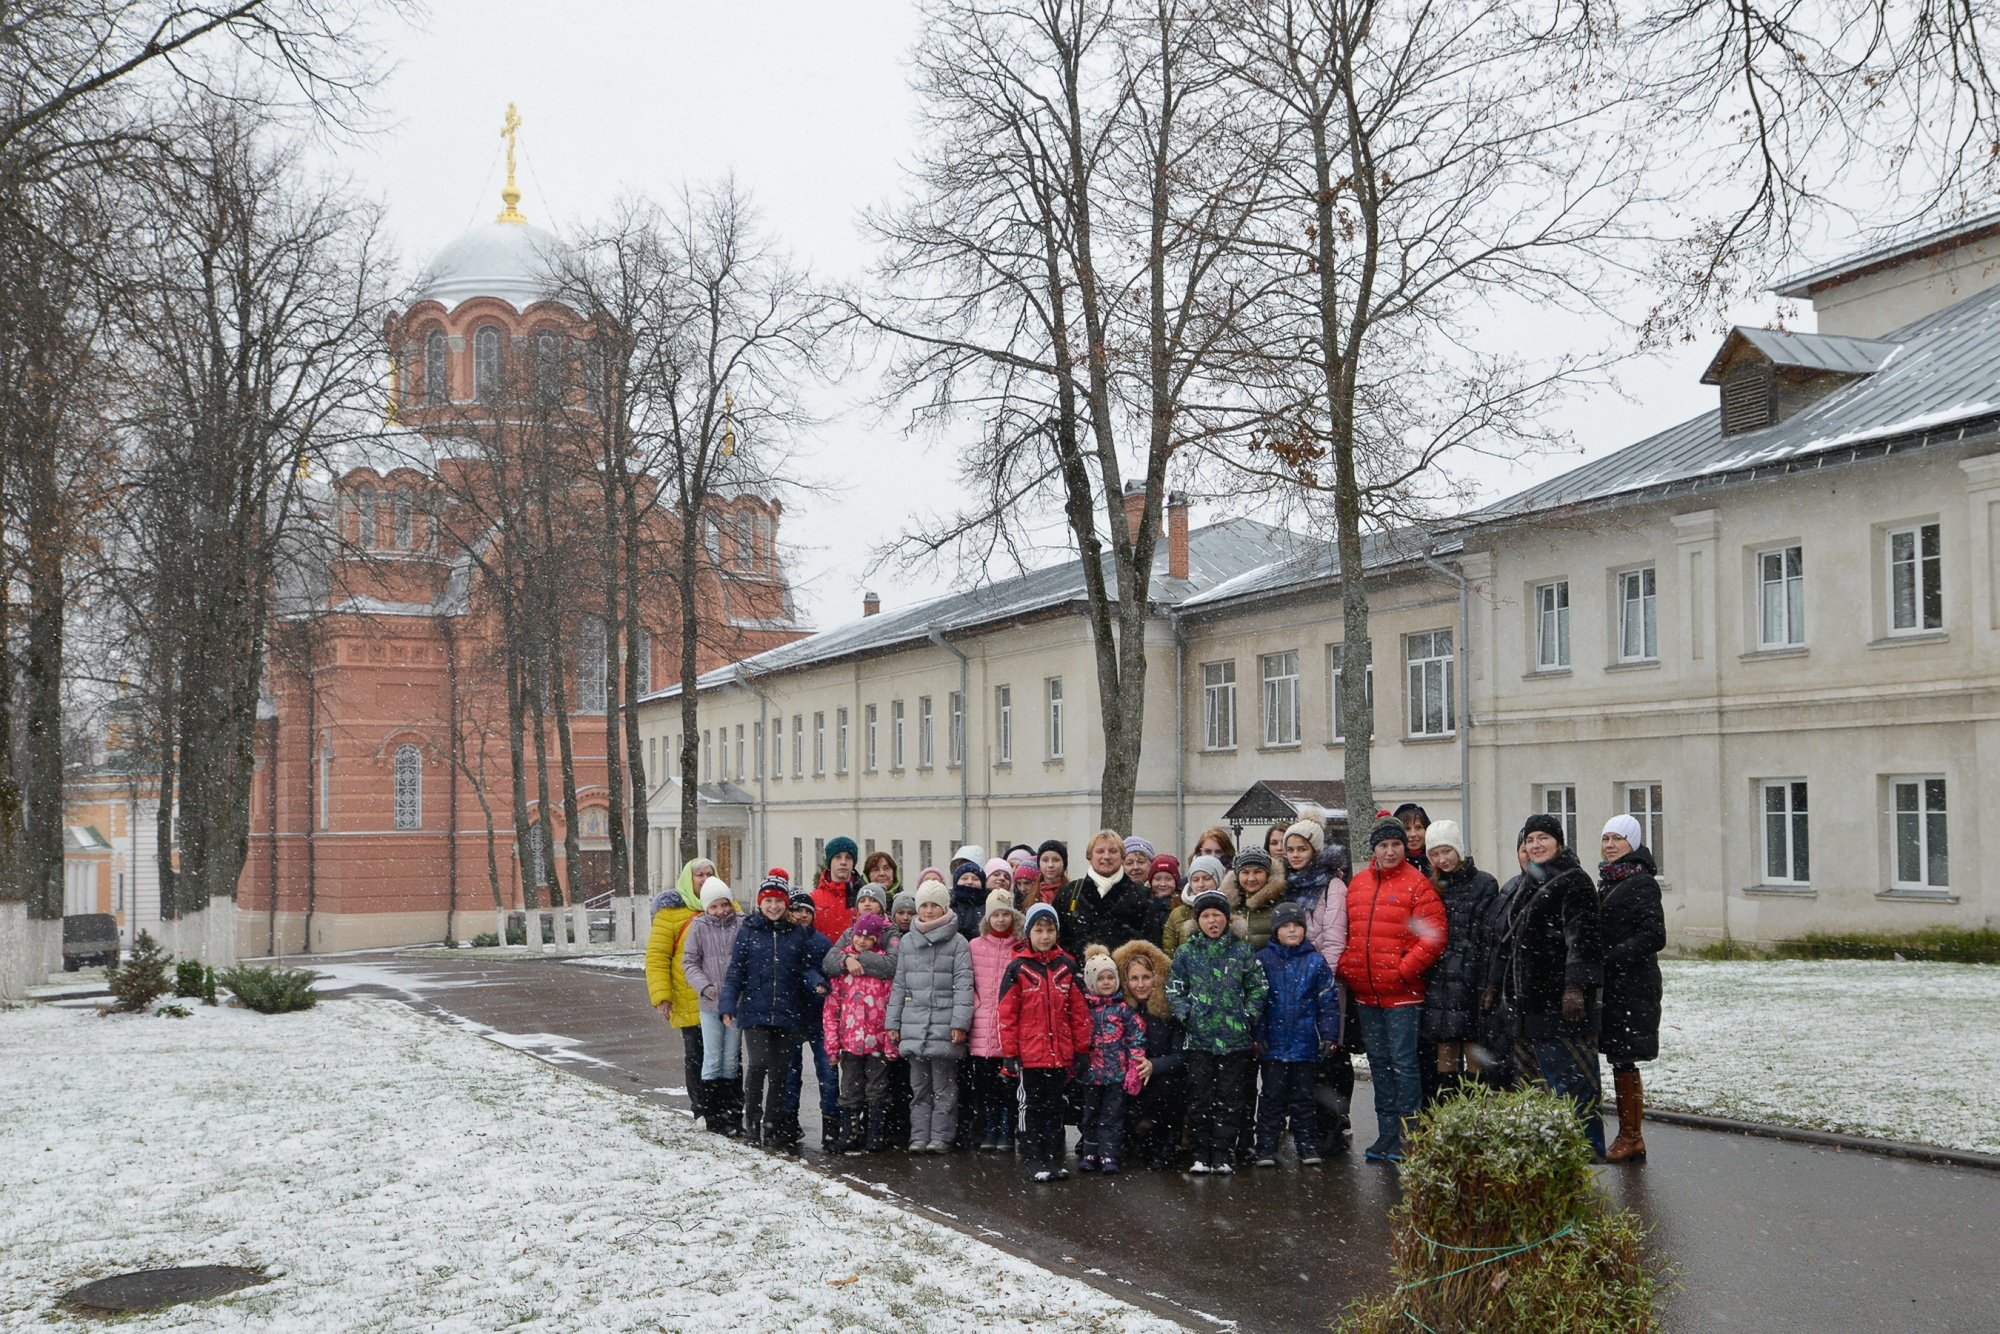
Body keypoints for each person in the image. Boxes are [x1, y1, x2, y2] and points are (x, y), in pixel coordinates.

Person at [1495, 813, 1606, 1157]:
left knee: (1574, 1088)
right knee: (1535, 1090)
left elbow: (1583, 938)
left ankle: (1588, 1157)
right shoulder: (1528, 883)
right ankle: (1547, 1158)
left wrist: (1575, 987)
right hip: (1529, 1010)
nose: (1536, 845)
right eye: (1530, 840)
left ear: (1559, 842)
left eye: (1543, 838)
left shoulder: (1575, 882)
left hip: (1562, 1009)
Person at [1338, 816, 1448, 1164]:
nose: (1389, 851)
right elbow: (1347, 932)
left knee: (1404, 1065)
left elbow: (1432, 936)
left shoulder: (1417, 885)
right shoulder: (1358, 885)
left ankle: (1409, 1135)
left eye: (1395, 845)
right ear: (1374, 849)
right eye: (1383, 845)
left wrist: (1403, 970)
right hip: (1367, 994)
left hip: (1403, 995)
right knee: (1379, 1064)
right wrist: (1349, 966)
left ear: (1404, 847)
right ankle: (1386, 1134)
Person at [1168, 888, 1269, 1175]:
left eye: (1217, 916)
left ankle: (1223, 1153)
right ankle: (1201, 1153)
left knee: (1229, 1098)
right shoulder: (1187, 952)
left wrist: (1247, 1017)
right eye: (1206, 916)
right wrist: (1187, 1015)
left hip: (1234, 1042)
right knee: (1200, 1098)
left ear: (1227, 918)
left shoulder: (1242, 950)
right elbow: (1175, 988)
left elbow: (1258, 987)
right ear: (1197, 920)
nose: (1212, 921)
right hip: (1199, 1040)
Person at [719, 876, 826, 1150]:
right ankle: (752, 1124)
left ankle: (772, 1126)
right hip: (755, 1011)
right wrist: (728, 1004)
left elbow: (805, 968)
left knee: (780, 1072)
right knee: (757, 1066)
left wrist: (816, 982)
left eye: (779, 901)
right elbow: (736, 972)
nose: (774, 906)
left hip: (787, 1013)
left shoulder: (796, 933)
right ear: (760, 903)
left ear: (786, 903)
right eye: (768, 901)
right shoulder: (749, 930)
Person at [998, 902, 1093, 1182]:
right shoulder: (1018, 967)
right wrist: (1010, 1054)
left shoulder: (1067, 965)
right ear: (1029, 934)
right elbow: (1006, 1014)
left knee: (1055, 1107)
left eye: (1049, 930)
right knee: (1031, 1107)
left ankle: (1053, 1157)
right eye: (1038, 930)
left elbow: (1078, 1012)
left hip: (1059, 1054)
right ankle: (1032, 1156)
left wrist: (1082, 1048)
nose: (1044, 936)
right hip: (1029, 1055)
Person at [887, 880, 974, 1153]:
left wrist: (959, 1023)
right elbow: (899, 984)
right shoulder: (908, 942)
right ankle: (919, 1136)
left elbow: (963, 985)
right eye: (923, 905)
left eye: (934, 905)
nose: (928, 910)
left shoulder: (958, 942)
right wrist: (893, 1022)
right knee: (919, 1088)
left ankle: (941, 1136)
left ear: (944, 908)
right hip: (914, 1023)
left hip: (944, 1024)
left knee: (944, 1087)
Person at [1597, 814, 1665, 1164]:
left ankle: (1631, 1136)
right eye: (1606, 838)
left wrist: (1610, 957)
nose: (1610, 845)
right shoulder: (1609, 880)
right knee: (1618, 1058)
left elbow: (1654, 936)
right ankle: (1629, 1135)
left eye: (1618, 839)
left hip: (1632, 985)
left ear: (1633, 843)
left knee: (1624, 1059)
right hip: (1614, 985)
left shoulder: (1641, 883)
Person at [1254, 901, 1342, 1167]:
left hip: (1306, 1044)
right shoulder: (1262, 960)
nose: (1292, 931)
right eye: (1286, 926)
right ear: (1276, 931)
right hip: (1274, 1045)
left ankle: (1307, 1145)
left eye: (1297, 926)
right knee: (1271, 1098)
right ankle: (1266, 1148)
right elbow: (1255, 1002)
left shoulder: (1315, 962)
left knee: (1304, 1099)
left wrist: (1329, 1035)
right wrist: (1257, 1034)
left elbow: (1328, 1001)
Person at [1419, 820, 1499, 1104]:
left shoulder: (1484, 883)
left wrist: (1484, 979)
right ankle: (1447, 1115)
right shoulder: (1432, 886)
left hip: (1471, 979)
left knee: (1472, 1048)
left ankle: (1475, 1116)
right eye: (1435, 854)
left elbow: (1486, 936)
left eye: (1447, 851)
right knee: (1445, 1050)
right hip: (1440, 980)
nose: (1442, 859)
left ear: (1459, 850)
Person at [823, 911, 898, 1154]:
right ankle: (850, 1132)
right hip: (850, 1042)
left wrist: (890, 1044)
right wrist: (832, 1046)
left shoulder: (883, 971)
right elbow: (832, 1010)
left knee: (877, 1088)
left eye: (868, 938)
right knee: (850, 1089)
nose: (862, 941)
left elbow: (890, 1007)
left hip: (877, 1042)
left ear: (877, 939)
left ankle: (875, 1133)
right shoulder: (843, 968)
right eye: (859, 936)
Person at [1113, 939, 1188, 1171]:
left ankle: (1165, 1146)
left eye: (1146, 977)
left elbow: (1182, 1056)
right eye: (1134, 978)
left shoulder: (1168, 1011)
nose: (1141, 984)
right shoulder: (1121, 1010)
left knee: (1170, 1088)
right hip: (1129, 1077)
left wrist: (1154, 1065)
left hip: (1160, 1077)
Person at [1075, 946, 1147, 1174]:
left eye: (1110, 978)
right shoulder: (1085, 1009)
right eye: (1100, 978)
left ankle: (1109, 1154)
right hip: (1091, 1074)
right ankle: (1090, 1151)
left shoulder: (1123, 1010)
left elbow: (1136, 1036)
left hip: (1117, 1075)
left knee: (1112, 1116)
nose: (1106, 983)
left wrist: (1135, 1066)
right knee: (1090, 1114)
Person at [680, 880, 743, 1137]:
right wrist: (705, 987)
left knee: (731, 1060)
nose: (720, 911)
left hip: (736, 1003)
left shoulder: (741, 924)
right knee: (712, 1058)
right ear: (706, 907)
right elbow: (690, 962)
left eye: (724, 904)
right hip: (710, 1003)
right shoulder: (699, 927)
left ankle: (732, 1113)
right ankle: (712, 1113)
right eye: (714, 906)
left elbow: (747, 957)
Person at [783, 891, 840, 1151]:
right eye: (798, 910)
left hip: (819, 1018)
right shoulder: (783, 939)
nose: (803, 915)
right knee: (790, 1076)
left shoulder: (821, 942)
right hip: (791, 1018)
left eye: (808, 910)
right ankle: (788, 1123)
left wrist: (821, 984)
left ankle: (831, 1125)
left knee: (828, 1074)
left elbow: (828, 973)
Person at [643, 888, 706, 1124]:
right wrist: (662, 997)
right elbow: (657, 958)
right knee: (696, 1055)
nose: (704, 878)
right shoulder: (670, 913)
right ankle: (701, 1109)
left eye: (709, 873)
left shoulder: (726, 905)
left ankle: (726, 1110)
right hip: (688, 998)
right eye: (699, 874)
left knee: (728, 1058)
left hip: (721, 999)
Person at [968, 890, 1022, 1152]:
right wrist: (977, 1005)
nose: (1000, 920)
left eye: (1005, 914)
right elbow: (966, 981)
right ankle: (988, 1126)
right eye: (996, 915)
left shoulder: (1020, 948)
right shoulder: (975, 946)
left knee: (1008, 1084)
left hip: (1009, 1028)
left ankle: (1005, 1127)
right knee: (984, 1084)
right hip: (982, 1026)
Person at [1057, 829, 1150, 960]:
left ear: (1122, 856)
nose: (1106, 856)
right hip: (1077, 976)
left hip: (1126, 977)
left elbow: (1149, 947)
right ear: (1090, 856)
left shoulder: (1142, 896)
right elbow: (1058, 942)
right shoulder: (1069, 893)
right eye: (1100, 851)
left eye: (1113, 851)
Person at [1161, 855, 1229, 956]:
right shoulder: (1178, 914)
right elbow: (1169, 951)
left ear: (1218, 879)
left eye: (1207, 878)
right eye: (1195, 879)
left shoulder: (1230, 908)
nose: (1200, 884)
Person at [1226, 847, 1285, 953]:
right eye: (1245, 872)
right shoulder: (1227, 906)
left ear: (1267, 874)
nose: (1251, 878)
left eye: (1258, 872)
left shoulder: (1280, 905)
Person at [812, 837, 864, 944]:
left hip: (856, 959)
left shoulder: (864, 898)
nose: (843, 862)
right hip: (822, 959)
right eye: (837, 857)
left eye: (848, 857)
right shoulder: (813, 899)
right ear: (830, 862)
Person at [1142, 854, 1181, 950]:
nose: (1162, 884)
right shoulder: (1143, 903)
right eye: (1157, 879)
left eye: (1168, 879)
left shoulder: (1182, 905)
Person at [1025, 840, 1068, 908]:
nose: (1050, 865)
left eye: (1056, 860)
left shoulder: (1072, 892)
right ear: (1039, 863)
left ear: (1063, 864)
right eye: (1045, 860)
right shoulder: (1029, 891)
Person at [1394, 803, 1432, 877]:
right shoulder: (1391, 863)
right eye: (1407, 829)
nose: (1413, 834)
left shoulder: (1438, 861)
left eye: (1418, 828)